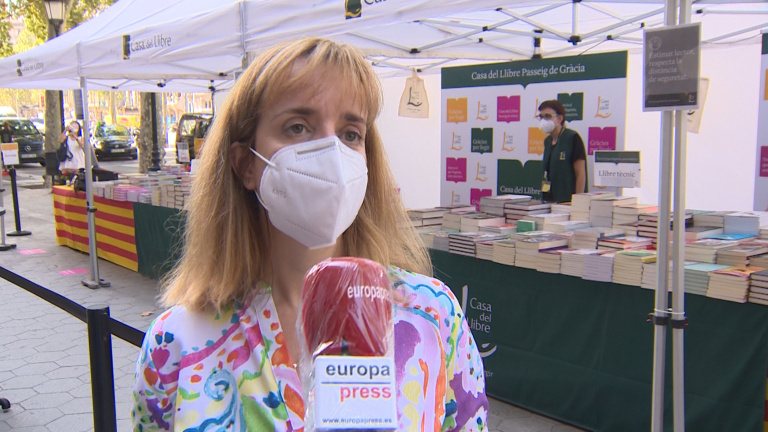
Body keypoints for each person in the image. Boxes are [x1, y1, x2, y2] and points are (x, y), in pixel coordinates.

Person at [131, 38, 489, 431]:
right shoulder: (176, 345)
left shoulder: (433, 317)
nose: (331, 152)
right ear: (246, 164)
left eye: (350, 134)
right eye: (298, 127)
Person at [538, 100, 587, 203]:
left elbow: (580, 174)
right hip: (550, 201)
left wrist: (577, 202)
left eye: (547, 116)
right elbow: (547, 173)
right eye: (541, 117)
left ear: (559, 118)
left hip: (568, 201)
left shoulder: (572, 137)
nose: (543, 120)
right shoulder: (547, 141)